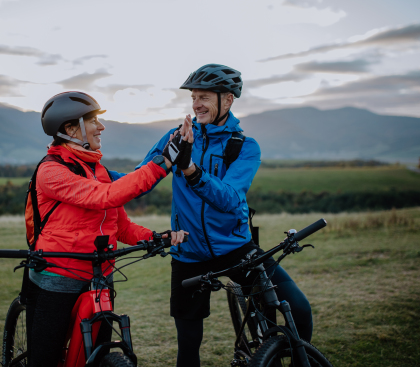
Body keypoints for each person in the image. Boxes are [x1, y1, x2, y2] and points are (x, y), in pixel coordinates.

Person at [134, 64, 313, 366]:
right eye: (193, 97)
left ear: (227, 100)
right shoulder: (176, 136)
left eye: (204, 97)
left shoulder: (244, 147)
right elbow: (140, 179)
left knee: (297, 307)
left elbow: (229, 199)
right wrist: (92, 176)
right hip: (188, 252)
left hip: (236, 248)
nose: (196, 104)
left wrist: (191, 170)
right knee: (188, 344)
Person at [26, 91, 187, 367]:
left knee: (98, 353)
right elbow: (105, 196)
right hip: (59, 274)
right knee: (45, 359)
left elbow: (119, 225)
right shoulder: (51, 172)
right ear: (70, 128)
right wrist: (163, 163)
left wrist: (153, 237)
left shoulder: (97, 170)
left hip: (100, 274)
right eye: (92, 121)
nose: (101, 127)